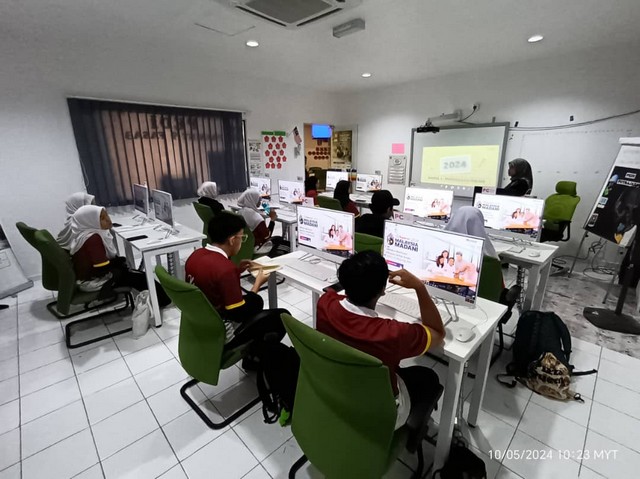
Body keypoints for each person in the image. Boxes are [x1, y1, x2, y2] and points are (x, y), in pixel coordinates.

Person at [316, 251, 445, 439]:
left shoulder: (324, 304)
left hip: (338, 392)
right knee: (428, 377)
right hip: (380, 414)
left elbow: (334, 295)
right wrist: (419, 287)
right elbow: (438, 333)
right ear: (383, 290)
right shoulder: (392, 334)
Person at [185, 213, 287, 350]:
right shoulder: (225, 269)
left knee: (254, 302)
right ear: (232, 240)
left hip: (201, 322)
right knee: (279, 315)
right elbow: (238, 314)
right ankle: (257, 353)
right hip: (223, 333)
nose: (242, 242)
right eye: (242, 238)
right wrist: (257, 284)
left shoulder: (195, 255)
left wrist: (237, 271)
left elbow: (211, 281)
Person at [64, 205, 170, 304]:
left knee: (137, 275)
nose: (108, 220)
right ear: (90, 222)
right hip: (93, 281)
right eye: (102, 218)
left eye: (107, 215)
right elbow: (102, 268)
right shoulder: (92, 239)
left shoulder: (85, 235)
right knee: (140, 278)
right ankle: (164, 301)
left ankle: (160, 299)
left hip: (91, 276)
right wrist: (118, 264)